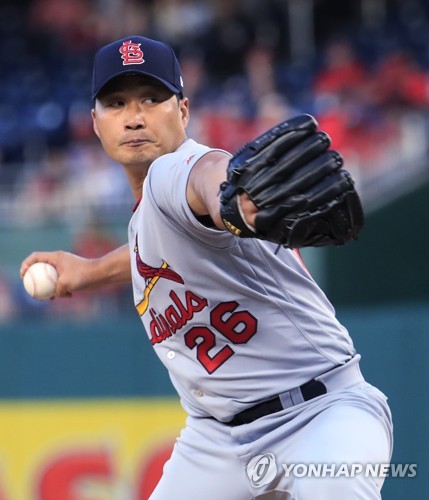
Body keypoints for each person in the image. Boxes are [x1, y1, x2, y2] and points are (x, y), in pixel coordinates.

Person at [21, 35, 393, 499]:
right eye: (116, 104)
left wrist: (233, 203)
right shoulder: (147, 222)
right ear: (95, 123)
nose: (134, 117)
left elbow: (208, 177)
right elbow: (151, 256)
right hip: (218, 440)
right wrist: (90, 271)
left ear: (183, 111)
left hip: (321, 415)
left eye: (151, 99)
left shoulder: (176, 171)